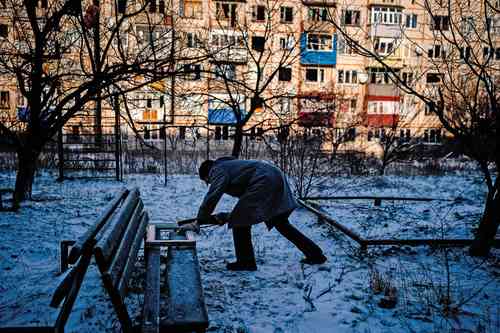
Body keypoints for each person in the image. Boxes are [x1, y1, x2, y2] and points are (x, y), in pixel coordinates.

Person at [191, 156, 327, 271]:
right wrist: (224, 217)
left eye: (206, 181)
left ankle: (246, 262)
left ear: (208, 173)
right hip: (274, 176)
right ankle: (315, 254)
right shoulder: (230, 166)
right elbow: (248, 204)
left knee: (240, 221)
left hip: (265, 180)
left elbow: (212, 196)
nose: (209, 183)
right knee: (280, 223)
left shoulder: (217, 170)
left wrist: (200, 219)